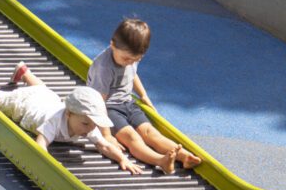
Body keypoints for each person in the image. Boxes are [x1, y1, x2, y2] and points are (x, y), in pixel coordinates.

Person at [0, 62, 144, 174]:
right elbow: (41, 144)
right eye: (86, 123)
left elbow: (103, 145)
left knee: (44, 90)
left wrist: (122, 159)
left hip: (46, 98)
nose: (90, 128)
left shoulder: (86, 123)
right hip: (26, 104)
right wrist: (51, 168)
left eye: (93, 124)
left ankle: (24, 73)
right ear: (69, 114)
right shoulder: (54, 122)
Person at [87, 18, 202, 173]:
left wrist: (143, 95)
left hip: (128, 103)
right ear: (112, 44)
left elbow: (132, 74)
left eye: (135, 59)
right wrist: (106, 135)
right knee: (132, 137)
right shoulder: (104, 67)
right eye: (126, 58)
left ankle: (184, 156)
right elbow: (98, 101)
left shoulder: (130, 58)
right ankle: (160, 160)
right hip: (109, 108)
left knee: (150, 132)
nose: (129, 62)